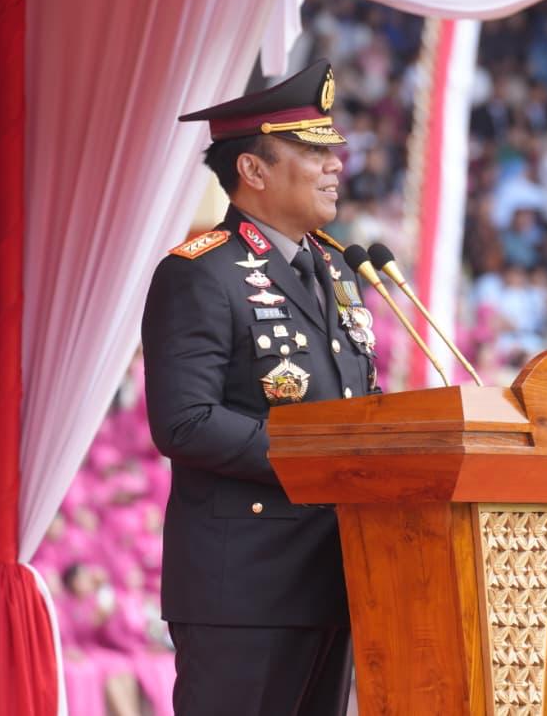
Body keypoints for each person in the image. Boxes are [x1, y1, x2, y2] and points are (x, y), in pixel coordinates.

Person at [142, 60, 379, 716]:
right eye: (314, 151)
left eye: (333, 150)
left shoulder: (337, 269)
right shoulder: (202, 272)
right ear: (253, 168)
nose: (335, 165)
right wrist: (321, 458)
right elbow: (184, 420)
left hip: (332, 575)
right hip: (244, 588)